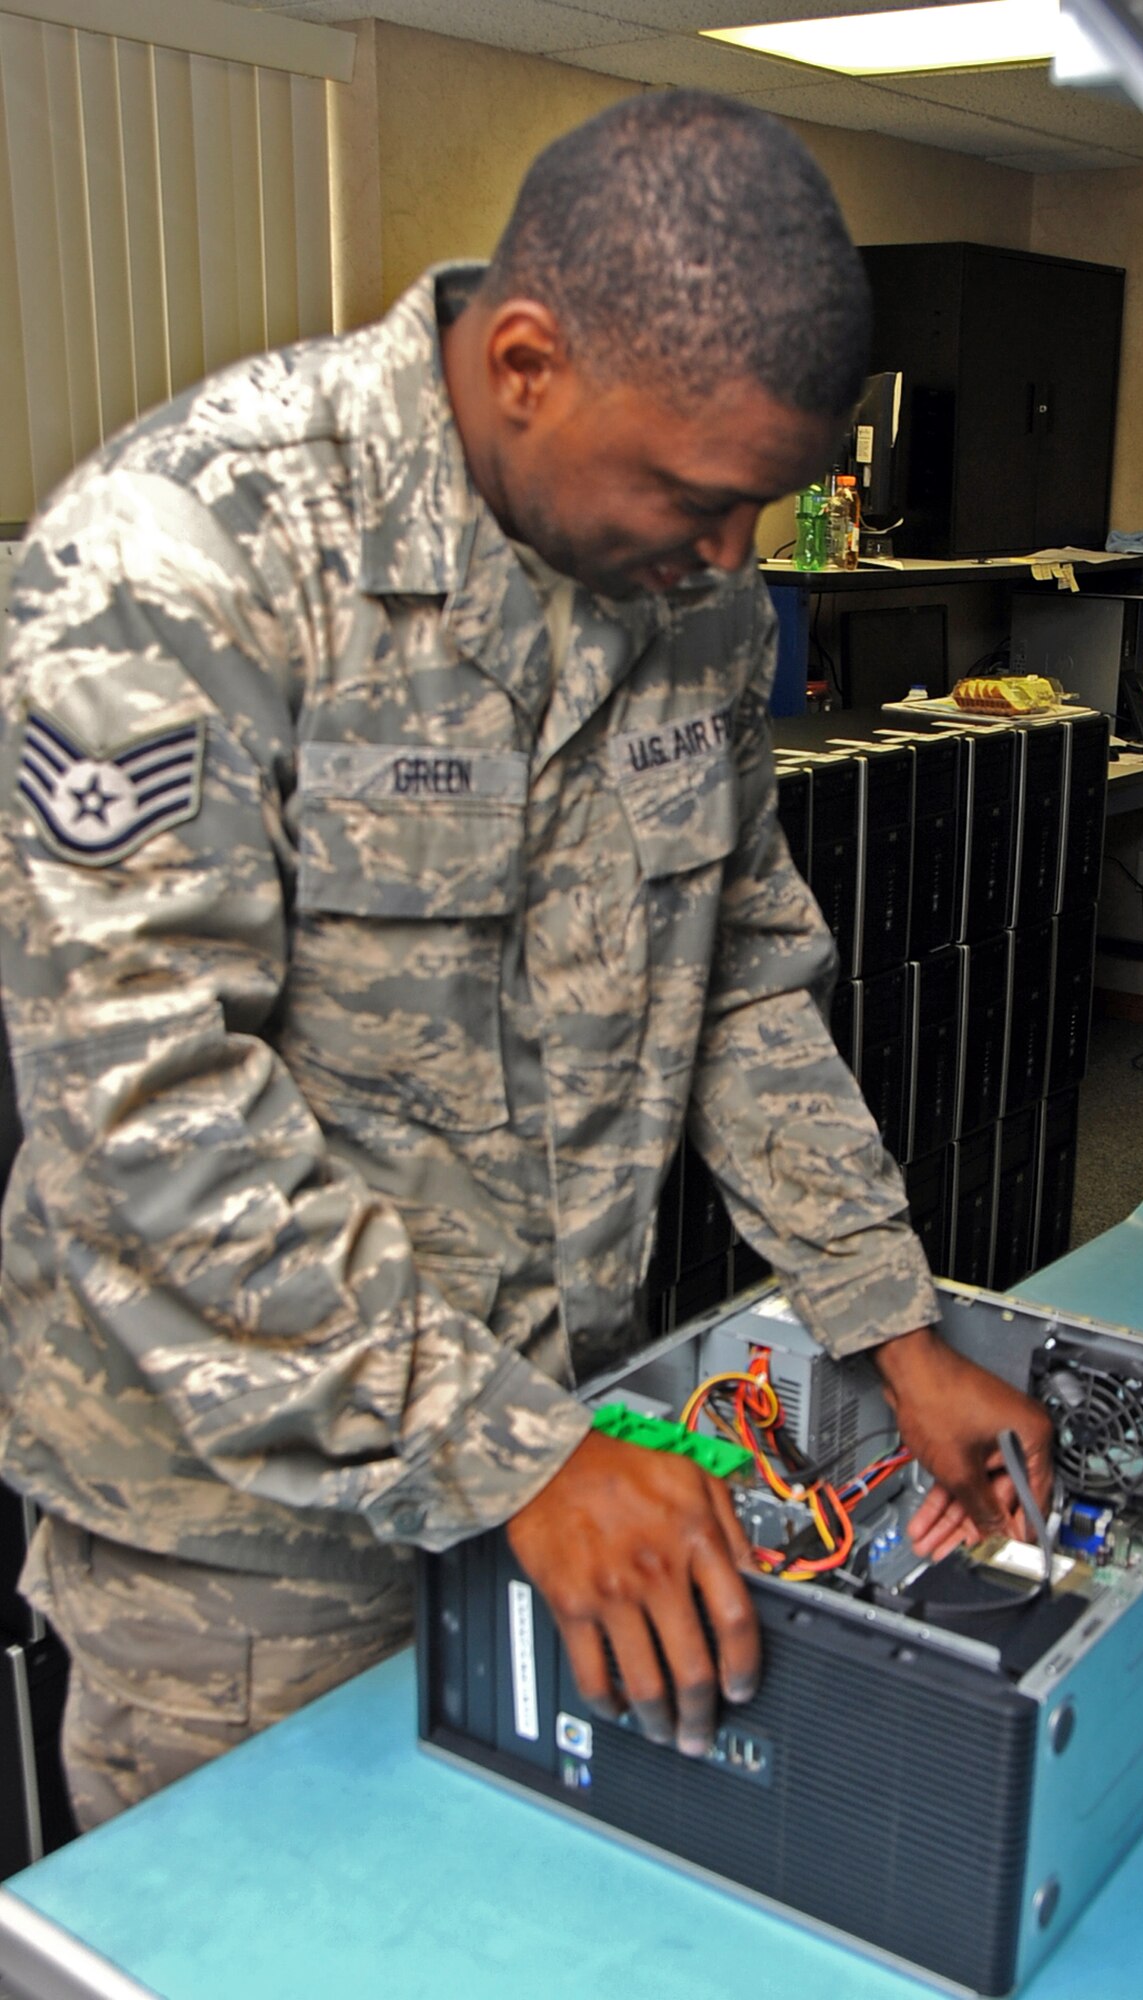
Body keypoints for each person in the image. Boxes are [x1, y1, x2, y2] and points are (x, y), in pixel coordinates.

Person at [0, 89, 1051, 1829]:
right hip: (246, 1541)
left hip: (565, 1449)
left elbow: (733, 977)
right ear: (523, 363)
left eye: (762, 511)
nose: (731, 561)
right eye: (695, 496)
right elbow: (150, 1110)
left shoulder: (692, 609)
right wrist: (511, 1459)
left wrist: (888, 1316)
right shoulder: (183, 559)